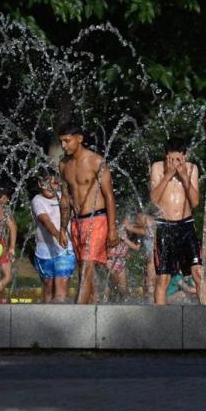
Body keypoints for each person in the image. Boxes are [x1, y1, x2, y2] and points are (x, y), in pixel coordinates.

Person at [58, 121, 118, 304]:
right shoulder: (63, 164)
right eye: (61, 141)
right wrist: (62, 227)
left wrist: (113, 229)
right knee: (83, 268)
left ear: (79, 139)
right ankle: (92, 312)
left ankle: (76, 315)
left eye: (67, 141)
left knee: (87, 267)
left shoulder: (96, 161)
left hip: (97, 219)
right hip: (77, 222)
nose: (63, 145)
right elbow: (66, 198)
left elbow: (109, 196)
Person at [149, 136, 206, 306]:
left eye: (178, 159)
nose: (175, 163)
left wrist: (184, 177)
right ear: (165, 156)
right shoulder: (157, 168)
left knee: (198, 272)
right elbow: (153, 199)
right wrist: (167, 175)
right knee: (163, 278)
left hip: (186, 225)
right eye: (171, 159)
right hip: (164, 226)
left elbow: (195, 202)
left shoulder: (192, 169)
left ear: (185, 156)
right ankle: (160, 319)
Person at [31, 173, 76, 303]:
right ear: (40, 184)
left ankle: (60, 317)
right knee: (48, 287)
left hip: (65, 248)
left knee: (61, 288)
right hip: (44, 251)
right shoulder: (38, 200)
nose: (51, 187)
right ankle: (47, 317)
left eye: (55, 183)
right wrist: (58, 234)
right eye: (47, 183)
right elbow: (46, 221)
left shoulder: (64, 197)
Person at [106, 223, 141, 300]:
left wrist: (126, 240)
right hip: (111, 263)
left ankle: (121, 303)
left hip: (122, 264)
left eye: (125, 232)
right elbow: (105, 250)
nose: (123, 234)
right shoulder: (114, 239)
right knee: (114, 284)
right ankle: (111, 300)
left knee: (123, 290)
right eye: (122, 232)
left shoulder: (127, 240)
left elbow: (137, 248)